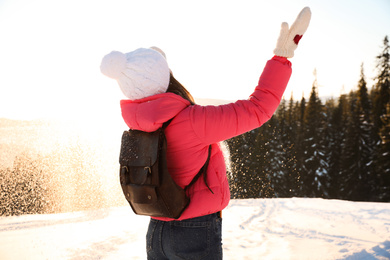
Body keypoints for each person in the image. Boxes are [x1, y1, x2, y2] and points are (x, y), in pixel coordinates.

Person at [100, 6, 311, 260]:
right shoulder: (193, 122)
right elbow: (258, 109)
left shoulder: (138, 124)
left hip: (156, 232)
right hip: (195, 230)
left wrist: (155, 66)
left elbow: (149, 83)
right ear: (166, 78)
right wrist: (282, 57)